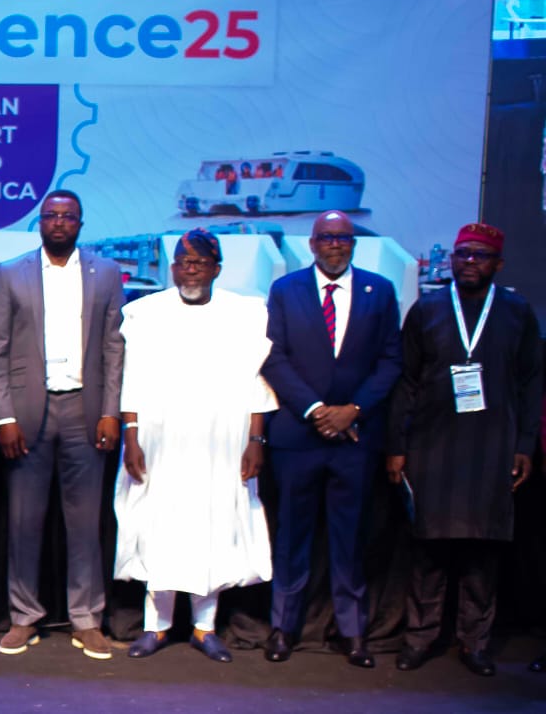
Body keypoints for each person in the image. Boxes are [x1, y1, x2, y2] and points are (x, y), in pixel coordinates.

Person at [387, 222, 542, 677]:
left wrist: (525, 445)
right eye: (463, 255)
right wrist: (396, 445)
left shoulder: (516, 312)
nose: (469, 262)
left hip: (493, 446)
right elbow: (406, 381)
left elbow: (531, 384)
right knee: (429, 551)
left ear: (498, 264)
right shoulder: (428, 309)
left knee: (482, 552)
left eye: (480, 255)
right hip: (432, 446)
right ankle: (420, 638)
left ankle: (475, 642)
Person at [115, 230, 275, 663]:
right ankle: (156, 627)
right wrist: (131, 434)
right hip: (159, 441)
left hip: (221, 442)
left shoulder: (243, 314)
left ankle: (205, 629)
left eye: (200, 263)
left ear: (216, 270)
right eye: (184, 263)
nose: (191, 270)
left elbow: (256, 382)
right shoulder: (145, 313)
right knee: (158, 527)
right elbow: (132, 378)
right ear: (172, 268)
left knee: (212, 528)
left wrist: (255, 439)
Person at [0, 189, 124, 660]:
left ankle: (87, 619)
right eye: (51, 215)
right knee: (24, 521)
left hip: (86, 411)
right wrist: (4, 416)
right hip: (27, 415)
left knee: (84, 524)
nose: (59, 222)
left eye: (68, 216)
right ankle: (24, 615)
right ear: (39, 222)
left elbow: (113, 347)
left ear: (81, 224)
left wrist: (110, 410)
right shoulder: (11, 273)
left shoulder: (106, 272)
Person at [260, 210, 401, 668]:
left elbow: (390, 361)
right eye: (326, 237)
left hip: (355, 438)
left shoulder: (379, 291)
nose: (335, 245)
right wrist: (317, 410)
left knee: (350, 537)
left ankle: (352, 631)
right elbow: (273, 357)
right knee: (291, 536)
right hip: (299, 435)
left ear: (353, 243)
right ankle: (283, 627)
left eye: (343, 237)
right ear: (312, 243)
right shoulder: (286, 290)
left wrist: (352, 410)